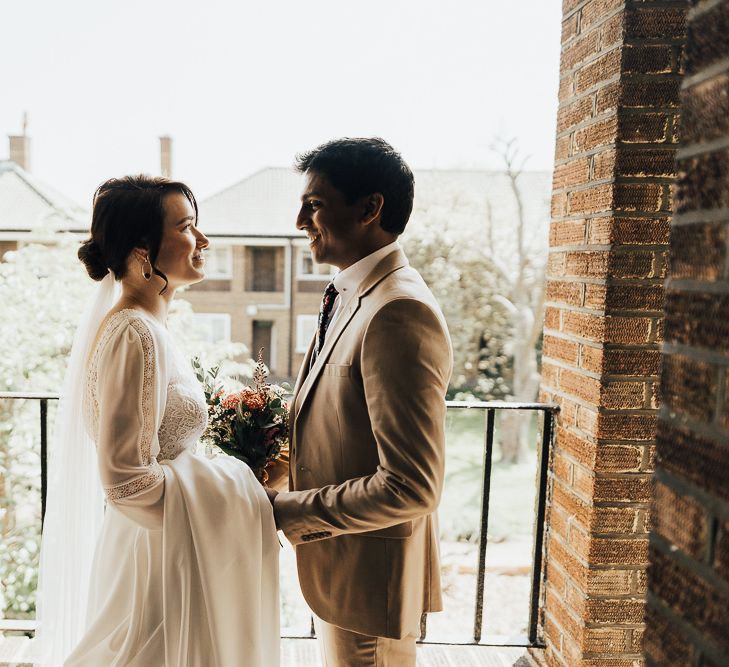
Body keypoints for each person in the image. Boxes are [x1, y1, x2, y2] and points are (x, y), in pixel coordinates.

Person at [36, 175, 280, 667]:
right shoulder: (135, 334)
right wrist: (237, 487)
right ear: (144, 251)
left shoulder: (146, 327)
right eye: (188, 227)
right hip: (159, 557)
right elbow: (126, 482)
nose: (204, 241)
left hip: (165, 545)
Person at [268, 138, 453, 667]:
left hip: (370, 583)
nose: (300, 219)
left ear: (370, 208)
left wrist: (287, 512)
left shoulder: (399, 311)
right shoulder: (351, 294)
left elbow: (411, 485)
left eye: (316, 203)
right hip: (342, 567)